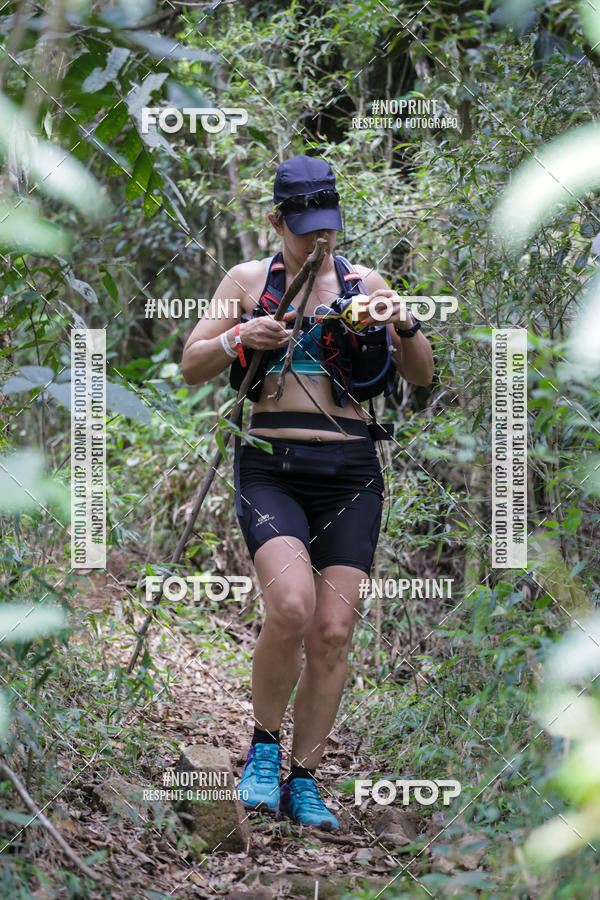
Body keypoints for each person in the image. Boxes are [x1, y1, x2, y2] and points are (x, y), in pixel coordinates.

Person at [182, 154, 434, 830]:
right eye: (303, 230)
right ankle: (262, 750)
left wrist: (400, 321)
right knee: (291, 607)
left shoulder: (363, 280)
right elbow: (190, 366)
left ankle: (304, 778)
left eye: (327, 227)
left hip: (352, 473)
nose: (318, 242)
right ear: (276, 221)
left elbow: (422, 372)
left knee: (332, 629)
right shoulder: (246, 281)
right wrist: (241, 333)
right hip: (271, 465)